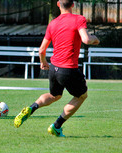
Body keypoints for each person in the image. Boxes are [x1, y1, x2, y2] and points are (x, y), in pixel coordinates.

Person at [13, 0, 100, 137]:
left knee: (55, 95)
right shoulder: (78, 19)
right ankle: (56, 126)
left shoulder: (52, 23)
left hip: (54, 68)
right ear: (72, 5)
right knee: (81, 95)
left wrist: (43, 62)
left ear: (58, 4)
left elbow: (41, 50)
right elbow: (86, 40)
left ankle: (32, 107)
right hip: (68, 69)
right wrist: (95, 38)